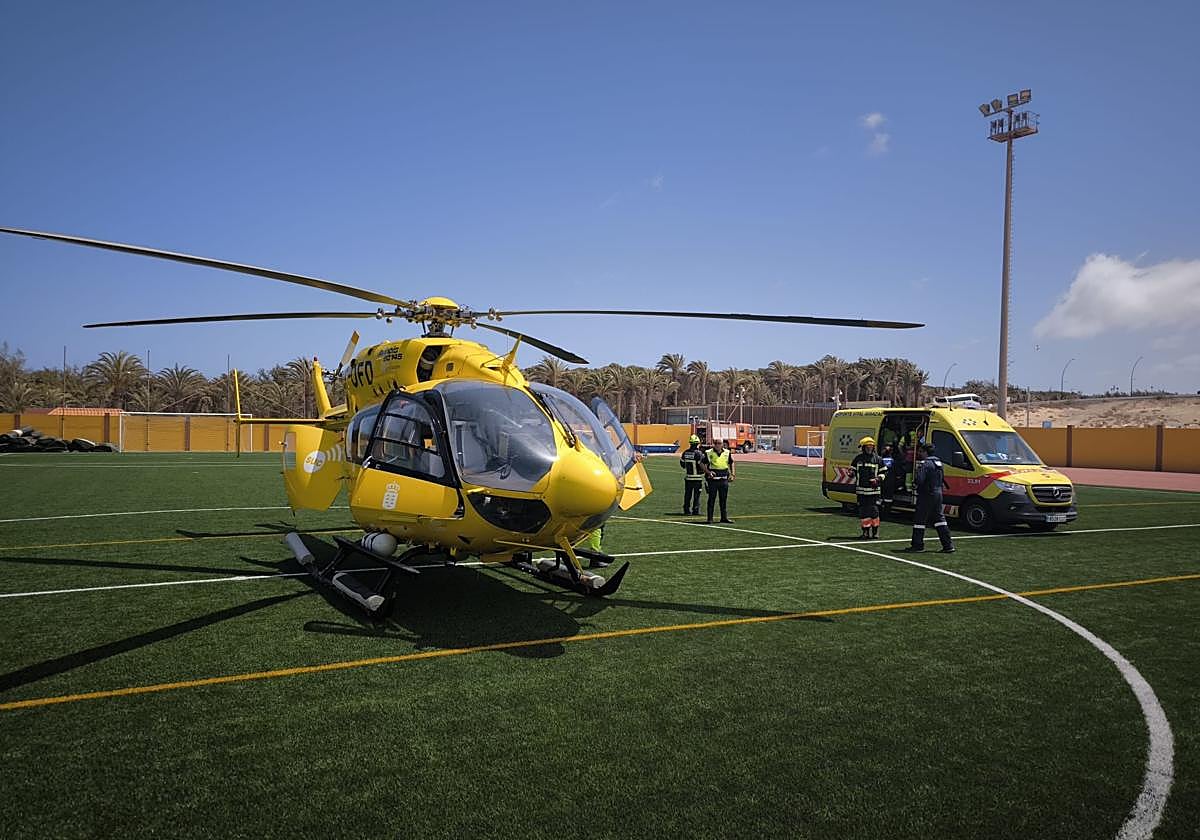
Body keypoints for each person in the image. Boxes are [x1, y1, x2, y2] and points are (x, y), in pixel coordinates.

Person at [907, 441, 955, 553]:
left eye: (920, 451)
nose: (919, 453)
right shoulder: (938, 463)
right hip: (938, 493)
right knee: (940, 519)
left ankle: (917, 545)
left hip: (926, 494)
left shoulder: (925, 464)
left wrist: (915, 480)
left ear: (925, 452)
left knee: (920, 520)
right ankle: (948, 545)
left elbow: (919, 480)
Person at [850, 436, 886, 539]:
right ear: (863, 447)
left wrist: (877, 479)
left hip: (873, 491)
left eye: (871, 446)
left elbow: (883, 473)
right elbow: (852, 470)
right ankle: (865, 532)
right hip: (861, 491)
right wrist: (851, 473)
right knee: (863, 512)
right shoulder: (858, 459)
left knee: (874, 511)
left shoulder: (878, 459)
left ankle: (875, 532)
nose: (869, 448)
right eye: (867, 447)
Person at [704, 439, 735, 523]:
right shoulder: (708, 452)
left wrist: (732, 474)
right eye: (716, 443)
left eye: (719, 443)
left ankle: (724, 517)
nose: (717, 445)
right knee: (711, 499)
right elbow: (701, 464)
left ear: (722, 444)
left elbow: (731, 462)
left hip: (724, 480)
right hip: (713, 480)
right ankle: (710, 518)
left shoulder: (727, 452)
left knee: (723, 500)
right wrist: (708, 472)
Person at [679, 434, 705, 515]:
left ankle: (686, 510)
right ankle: (695, 510)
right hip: (697, 478)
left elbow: (682, 464)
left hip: (688, 478)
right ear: (697, 444)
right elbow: (702, 465)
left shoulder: (685, 453)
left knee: (687, 495)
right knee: (696, 496)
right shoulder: (699, 453)